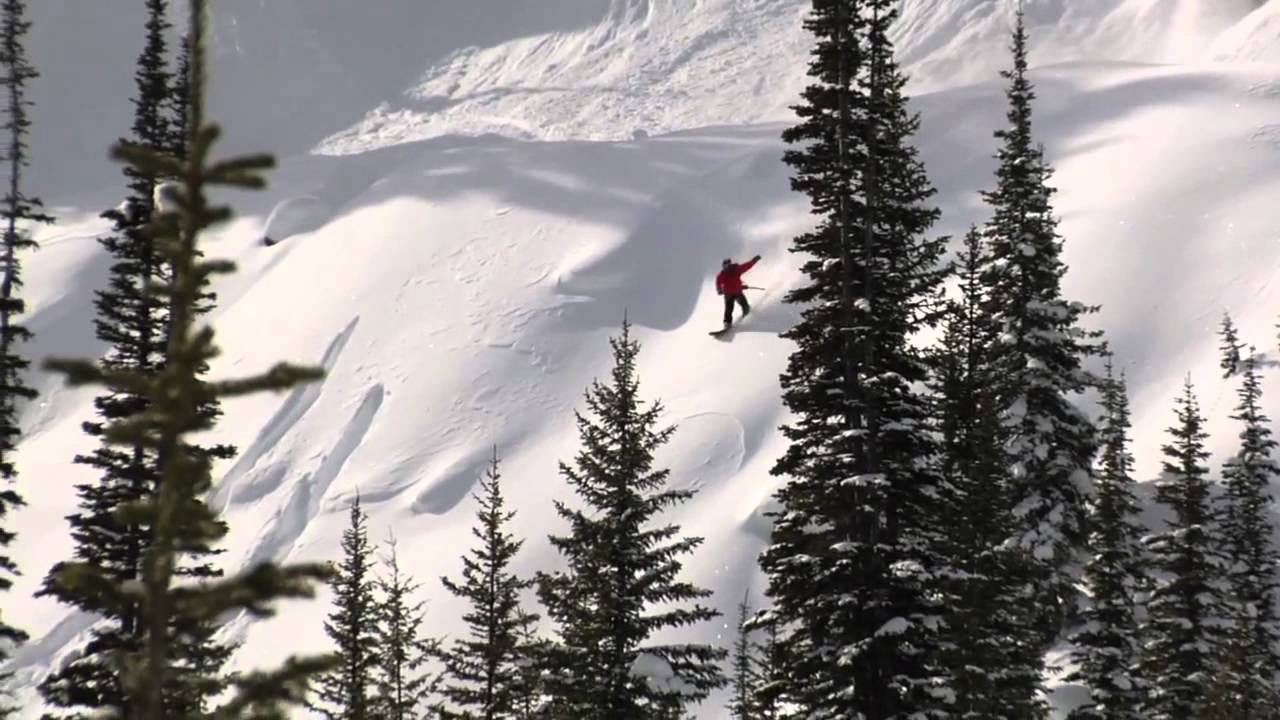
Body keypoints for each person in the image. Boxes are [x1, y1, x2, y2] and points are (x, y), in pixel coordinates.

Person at [715, 254, 760, 330]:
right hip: (728, 294)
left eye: (727, 265)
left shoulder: (736, 269)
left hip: (737, 292)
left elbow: (747, 266)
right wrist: (719, 290)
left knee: (744, 305)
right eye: (724, 266)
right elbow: (718, 282)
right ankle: (727, 323)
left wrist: (754, 261)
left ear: (730, 265)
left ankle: (746, 316)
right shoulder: (722, 275)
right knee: (729, 308)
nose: (725, 268)